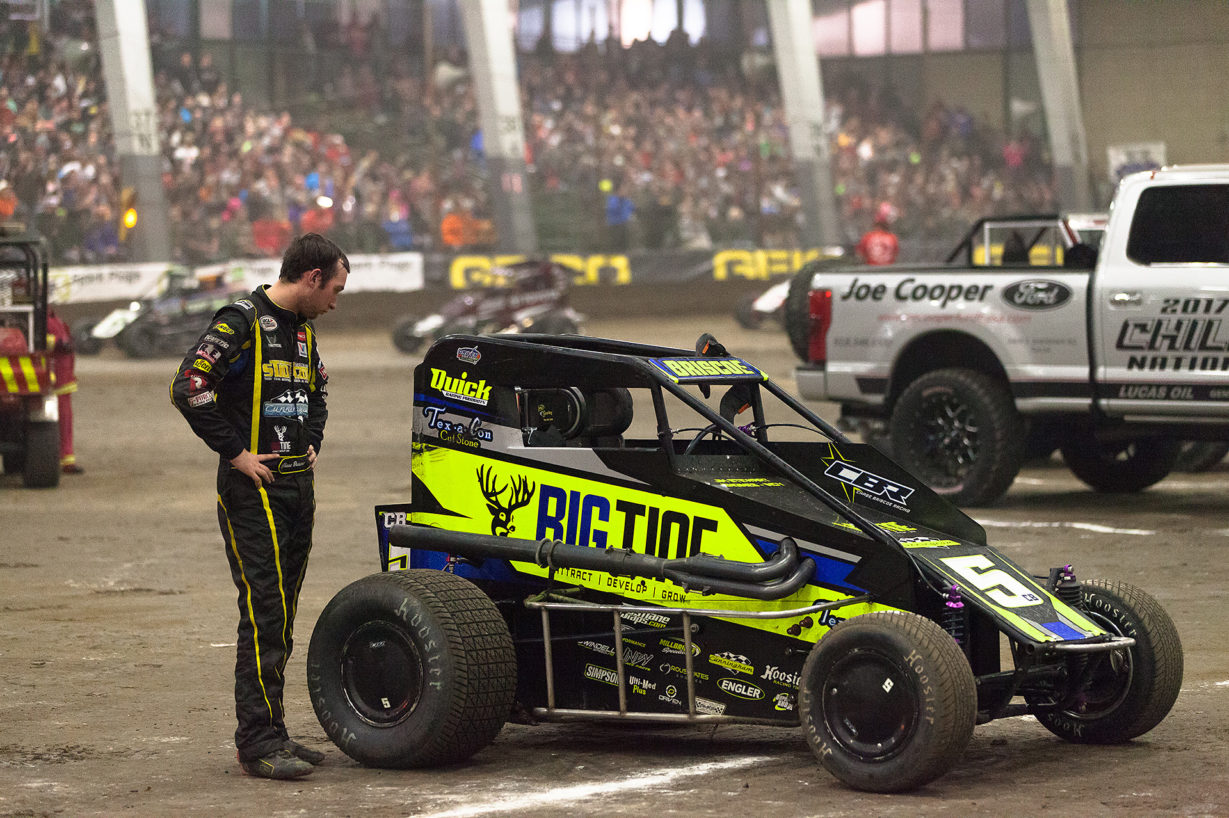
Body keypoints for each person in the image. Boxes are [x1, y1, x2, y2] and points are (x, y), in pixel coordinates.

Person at [170, 233, 349, 780]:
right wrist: (236, 453)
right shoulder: (241, 321)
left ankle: (275, 730)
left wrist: (312, 439)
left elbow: (318, 391)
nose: (336, 302)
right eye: (335, 289)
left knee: (283, 614)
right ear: (313, 277)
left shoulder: (304, 332)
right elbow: (188, 385)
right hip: (254, 492)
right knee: (265, 612)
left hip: (298, 488)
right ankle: (256, 742)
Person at [46, 308, 81, 473]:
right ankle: (65, 460)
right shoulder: (41, 316)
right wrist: (59, 343)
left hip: (63, 375)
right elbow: (35, 338)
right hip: (55, 376)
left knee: (65, 421)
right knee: (61, 421)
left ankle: (67, 459)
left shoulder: (51, 316)